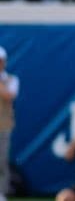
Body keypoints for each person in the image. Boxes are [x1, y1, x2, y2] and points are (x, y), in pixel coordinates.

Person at [0, 46, 16, 200]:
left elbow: (8, 95)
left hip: (3, 127)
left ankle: (1, 193)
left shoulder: (11, 79)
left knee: (1, 161)